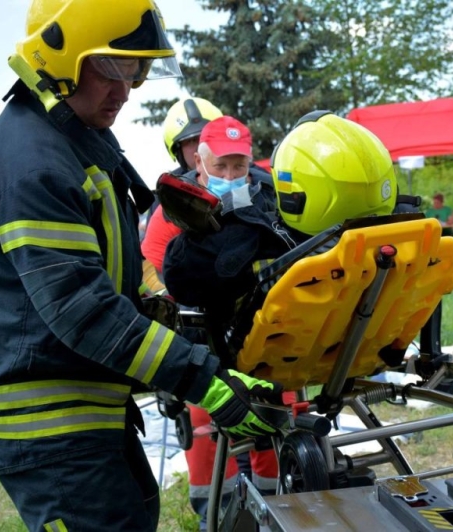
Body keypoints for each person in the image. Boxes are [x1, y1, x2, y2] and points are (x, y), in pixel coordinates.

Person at [0, 2, 283, 530]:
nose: (126, 89)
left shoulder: (71, 138)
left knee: (133, 512)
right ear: (58, 57)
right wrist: (207, 382)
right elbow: (83, 311)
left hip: (79, 402)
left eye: (136, 71)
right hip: (45, 420)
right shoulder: (34, 162)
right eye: (111, 68)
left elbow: (103, 284)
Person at [159, 116, 287, 529]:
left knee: (274, 414)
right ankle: (214, 517)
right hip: (206, 339)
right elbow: (156, 267)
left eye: (239, 167)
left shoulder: (269, 200)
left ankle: (277, 510)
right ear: (200, 162)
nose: (231, 177)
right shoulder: (175, 205)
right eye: (221, 168)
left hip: (266, 336)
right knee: (205, 430)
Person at [141, 97, 224, 293]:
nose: (200, 146)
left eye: (206, 138)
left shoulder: (249, 178)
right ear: (178, 150)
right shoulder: (168, 197)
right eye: (192, 141)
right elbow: (152, 267)